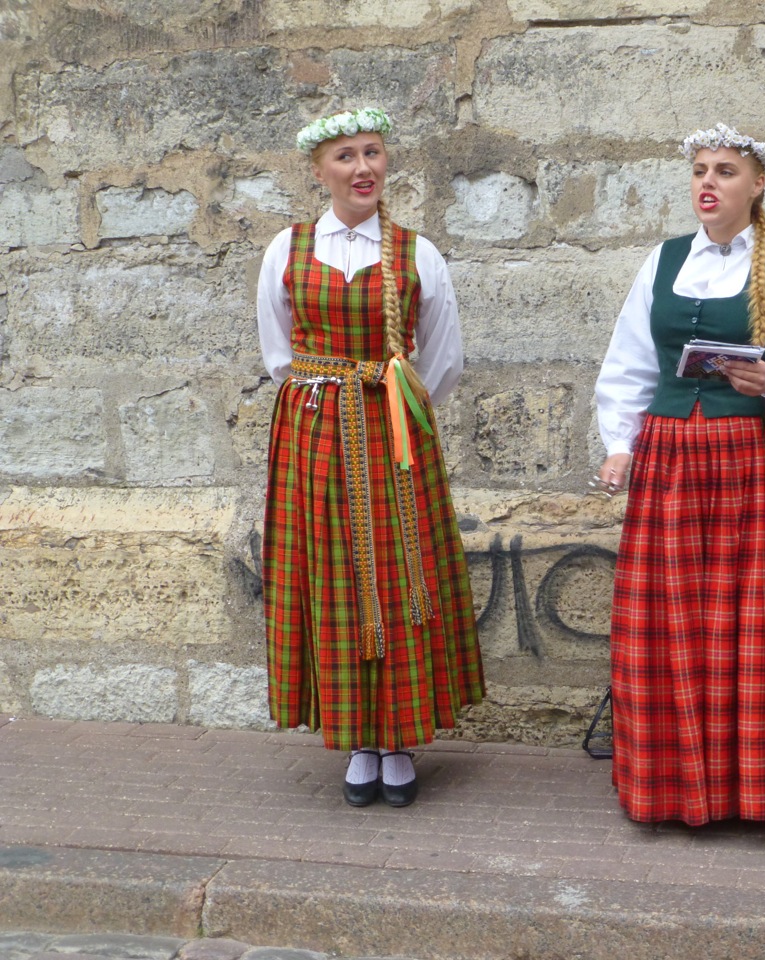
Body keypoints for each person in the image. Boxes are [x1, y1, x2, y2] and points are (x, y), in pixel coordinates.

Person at [594, 123, 765, 825]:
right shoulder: (664, 260)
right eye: (701, 171)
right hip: (673, 459)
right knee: (676, 628)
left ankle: (764, 793)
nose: (709, 183)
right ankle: (678, 789)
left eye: (726, 172)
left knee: (760, 625)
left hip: (757, 459)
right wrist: (621, 444)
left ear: (757, 184)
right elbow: (628, 363)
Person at [257, 107, 483, 808]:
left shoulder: (417, 253)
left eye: (373, 154)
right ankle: (359, 738)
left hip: (394, 431)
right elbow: (279, 354)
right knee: (335, 578)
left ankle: (399, 739)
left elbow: (442, 361)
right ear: (319, 170)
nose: (363, 168)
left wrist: (388, 405)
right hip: (316, 432)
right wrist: (327, 402)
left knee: (395, 575)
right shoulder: (286, 249)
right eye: (347, 156)